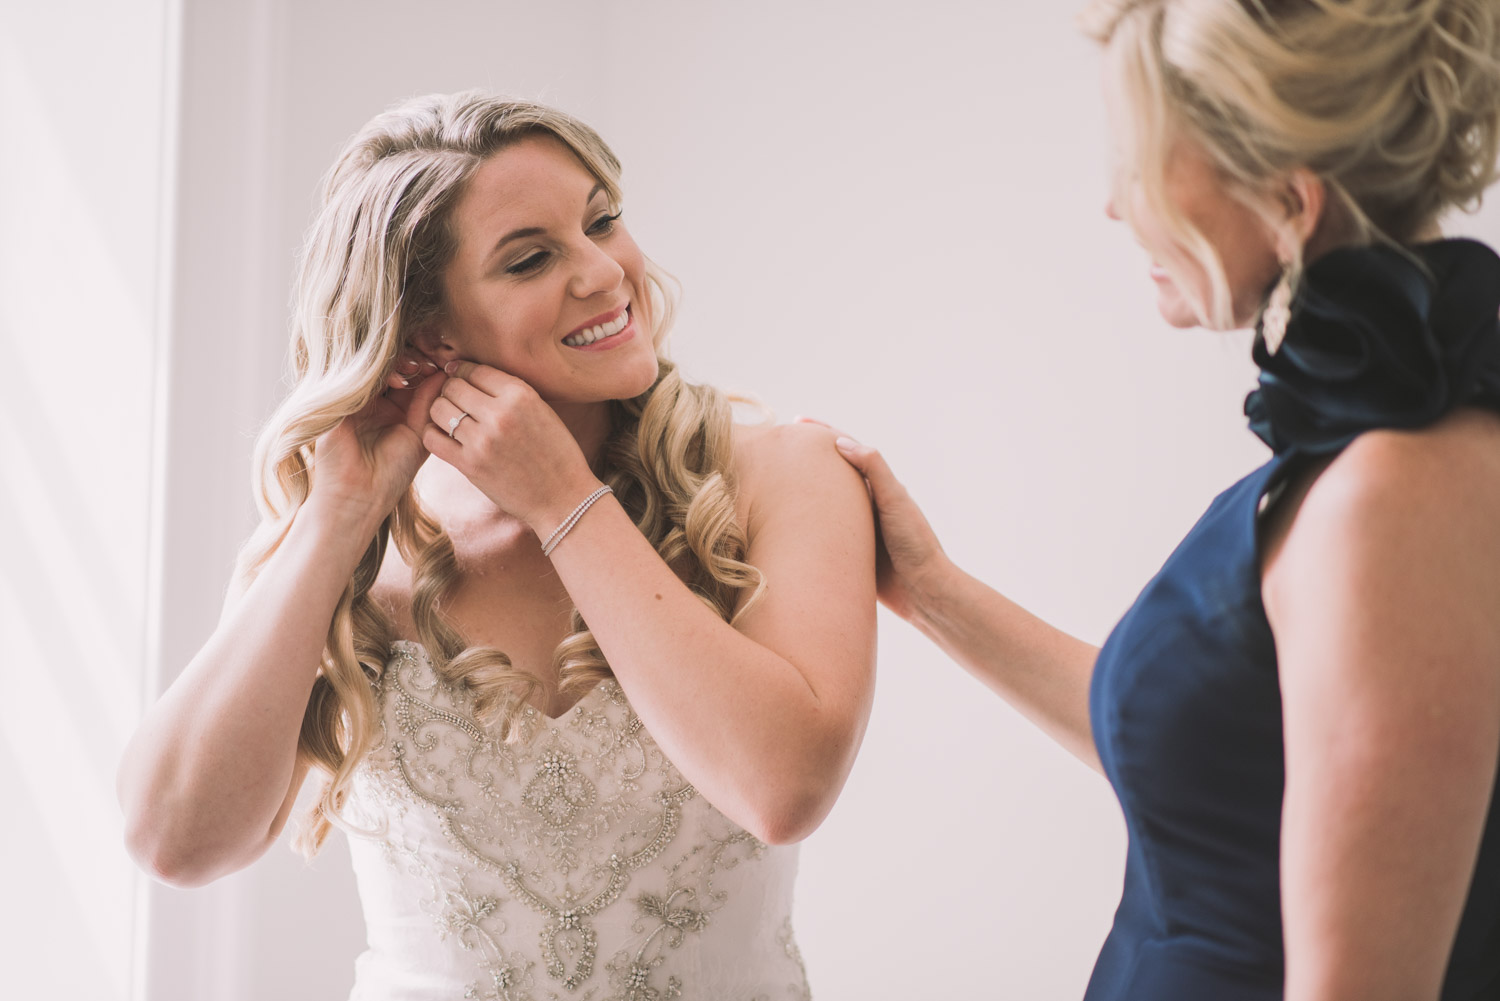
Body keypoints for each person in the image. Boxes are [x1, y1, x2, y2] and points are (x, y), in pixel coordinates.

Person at [117, 92, 876, 1000]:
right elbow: (176, 841)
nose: (604, 271)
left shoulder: (786, 474)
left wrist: (564, 502)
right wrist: (336, 520)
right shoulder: (346, 538)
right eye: (531, 258)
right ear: (428, 328)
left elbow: (785, 789)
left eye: (603, 220)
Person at [823, 0, 1500, 998]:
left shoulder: (1393, 497)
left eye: (1139, 163)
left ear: (1288, 200)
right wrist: (929, 589)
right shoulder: (1363, 458)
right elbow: (1217, 755)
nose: (1115, 204)